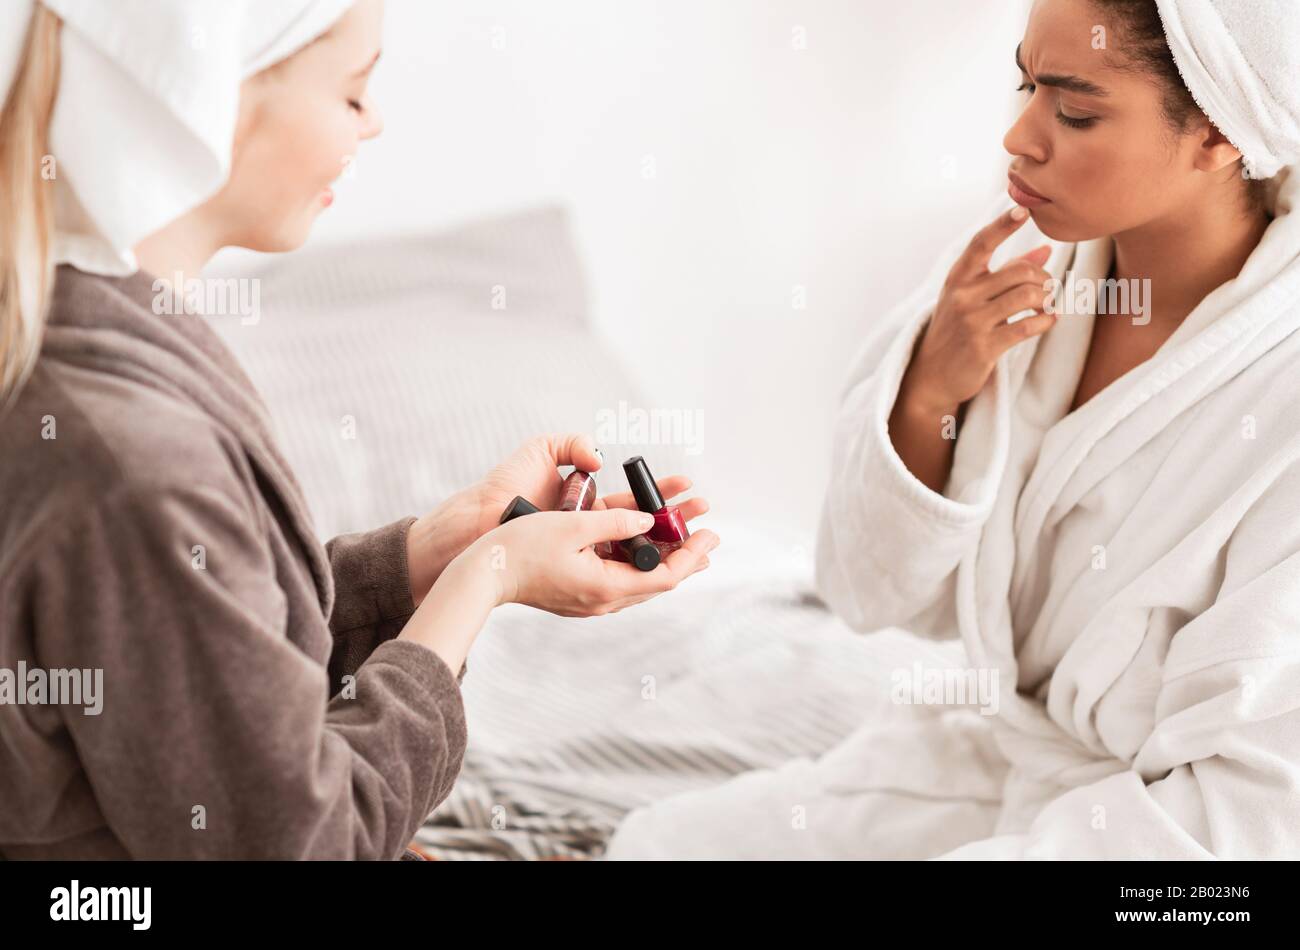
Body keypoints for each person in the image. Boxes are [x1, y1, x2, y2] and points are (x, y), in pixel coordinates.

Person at [0, 0, 718, 859]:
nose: (374, 121)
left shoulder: (84, 331)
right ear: (213, 100)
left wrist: (427, 555)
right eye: (351, 93)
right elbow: (305, 843)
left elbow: (202, 649)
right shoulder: (134, 461)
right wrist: (484, 582)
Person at [605, 0, 1300, 859]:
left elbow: (1252, 814)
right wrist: (933, 381)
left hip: (1180, 854)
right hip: (1003, 761)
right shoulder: (1013, 279)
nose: (1020, 136)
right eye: (1024, 84)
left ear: (1218, 133)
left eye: (1075, 110)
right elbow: (868, 591)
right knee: (660, 847)